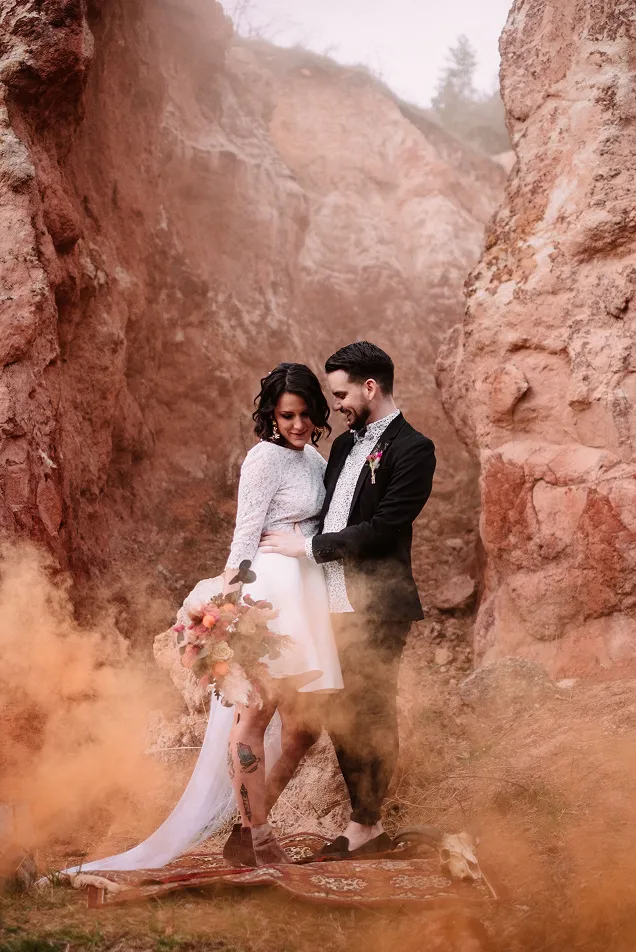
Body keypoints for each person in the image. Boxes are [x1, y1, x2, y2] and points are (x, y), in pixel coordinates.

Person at [63, 363, 343, 875]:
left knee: (305, 727)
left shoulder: (313, 460)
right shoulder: (262, 460)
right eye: (288, 416)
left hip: (307, 595)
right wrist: (231, 612)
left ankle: (243, 832)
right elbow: (244, 536)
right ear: (271, 417)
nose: (298, 425)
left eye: (305, 415)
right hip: (269, 597)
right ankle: (260, 840)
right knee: (255, 717)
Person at [260, 341, 436, 860]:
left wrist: (308, 547)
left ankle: (366, 825)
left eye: (340, 394)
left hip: (377, 605)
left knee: (372, 710)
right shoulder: (342, 446)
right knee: (341, 711)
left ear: (370, 388)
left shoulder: (413, 449)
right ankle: (365, 825)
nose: (334, 405)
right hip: (327, 603)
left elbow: (386, 528)